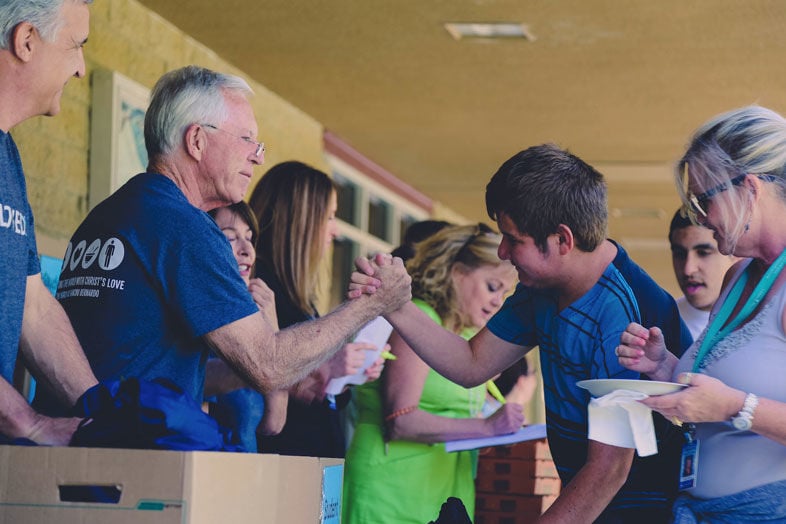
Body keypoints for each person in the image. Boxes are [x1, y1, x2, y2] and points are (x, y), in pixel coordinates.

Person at [35, 66, 410, 424]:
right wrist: (373, 303)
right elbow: (268, 364)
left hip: (74, 441)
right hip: (120, 462)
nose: (258, 156)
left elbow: (139, 359)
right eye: (246, 139)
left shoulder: (112, 211)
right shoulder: (182, 225)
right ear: (196, 140)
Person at [351, 144, 688, 523]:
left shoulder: (623, 313)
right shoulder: (542, 286)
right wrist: (395, 305)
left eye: (514, 239)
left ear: (563, 240)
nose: (502, 251)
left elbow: (608, 470)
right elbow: (471, 363)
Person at [617, 105, 786, 522]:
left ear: (750, 188)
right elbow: (720, 391)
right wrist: (664, 368)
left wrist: (734, 407)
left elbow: (728, 401)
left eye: (704, 199)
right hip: (699, 509)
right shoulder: (739, 276)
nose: (701, 218)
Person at [342, 223, 522, 524]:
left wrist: (494, 430)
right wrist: (486, 428)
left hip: (444, 490)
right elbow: (401, 420)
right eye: (492, 287)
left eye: (505, 293)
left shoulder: (466, 336)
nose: (497, 301)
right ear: (457, 273)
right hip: (390, 491)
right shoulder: (421, 319)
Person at [0, 0, 98, 445]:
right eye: (76, 46)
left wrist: (102, 410)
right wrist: (29, 421)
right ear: (26, 41)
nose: (81, 69)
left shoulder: (7, 156)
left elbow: (33, 308)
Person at [250, 161, 386, 458]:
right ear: (301, 220)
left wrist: (347, 374)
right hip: (280, 460)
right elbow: (252, 375)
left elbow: (317, 391)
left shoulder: (299, 296)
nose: (335, 232)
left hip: (312, 459)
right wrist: (326, 367)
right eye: (330, 217)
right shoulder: (258, 288)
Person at [203, 201, 287, 452]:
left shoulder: (251, 319)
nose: (246, 250)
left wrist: (271, 327)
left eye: (249, 238)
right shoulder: (195, 316)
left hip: (244, 478)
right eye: (230, 238)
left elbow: (275, 421)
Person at [668, 209, 737, 339]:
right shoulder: (658, 327)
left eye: (703, 253)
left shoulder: (766, 322)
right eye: (679, 254)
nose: (688, 270)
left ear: (736, 254)